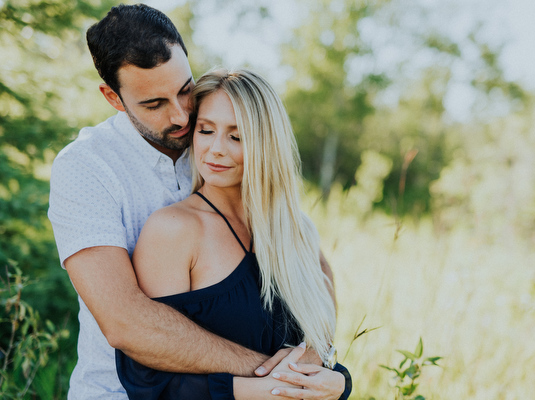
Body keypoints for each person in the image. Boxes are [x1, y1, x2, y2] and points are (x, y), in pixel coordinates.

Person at [48, 4, 342, 398]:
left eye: (185, 90)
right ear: (113, 98)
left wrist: (316, 358)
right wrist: (274, 377)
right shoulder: (86, 168)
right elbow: (126, 322)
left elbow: (311, 267)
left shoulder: (212, 138)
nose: (182, 116)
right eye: (154, 104)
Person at [115, 68, 352, 399]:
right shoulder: (173, 230)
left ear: (267, 144)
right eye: (206, 130)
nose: (215, 150)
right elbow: (151, 383)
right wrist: (267, 388)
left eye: (236, 137)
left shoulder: (298, 232)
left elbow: (322, 351)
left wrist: (340, 382)